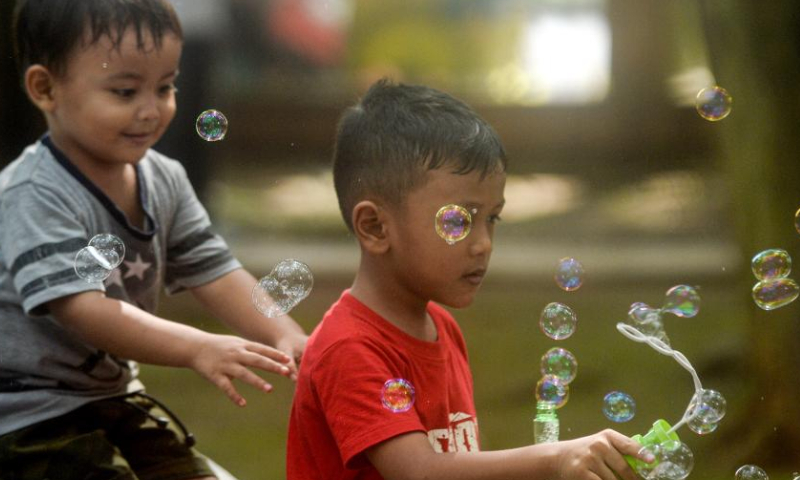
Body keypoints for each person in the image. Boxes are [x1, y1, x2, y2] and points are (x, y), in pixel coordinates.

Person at [286, 79, 653, 480]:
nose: (483, 244)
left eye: (491, 218)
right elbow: (420, 472)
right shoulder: (349, 348)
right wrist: (554, 459)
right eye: (458, 220)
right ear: (375, 227)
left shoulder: (442, 327)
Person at [0, 1, 307, 479]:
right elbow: (82, 307)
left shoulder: (165, 178)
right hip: (27, 420)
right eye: (125, 91)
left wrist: (284, 333)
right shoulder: (34, 194)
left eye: (165, 87)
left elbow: (216, 270)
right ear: (45, 88)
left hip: (113, 398)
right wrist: (197, 347)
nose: (152, 109)